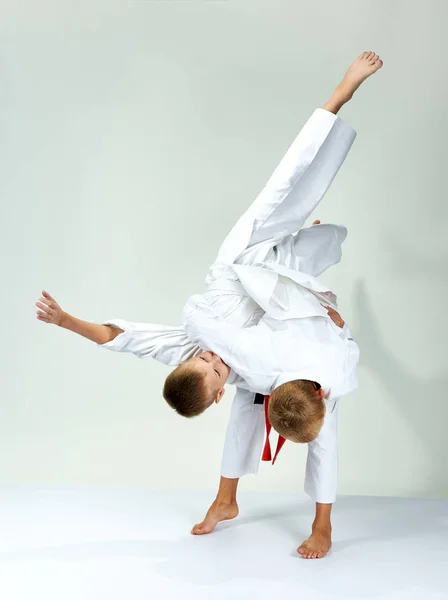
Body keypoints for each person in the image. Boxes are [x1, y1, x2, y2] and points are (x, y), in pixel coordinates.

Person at [36, 52, 383, 559]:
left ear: (189, 359)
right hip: (281, 294)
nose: (215, 360)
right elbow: (128, 338)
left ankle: (338, 96)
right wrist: (325, 311)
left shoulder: (198, 338)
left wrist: (67, 320)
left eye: (205, 360)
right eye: (217, 372)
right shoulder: (240, 368)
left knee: (283, 188)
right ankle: (227, 500)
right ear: (217, 390)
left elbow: (121, 337)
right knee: (266, 408)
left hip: (239, 261)